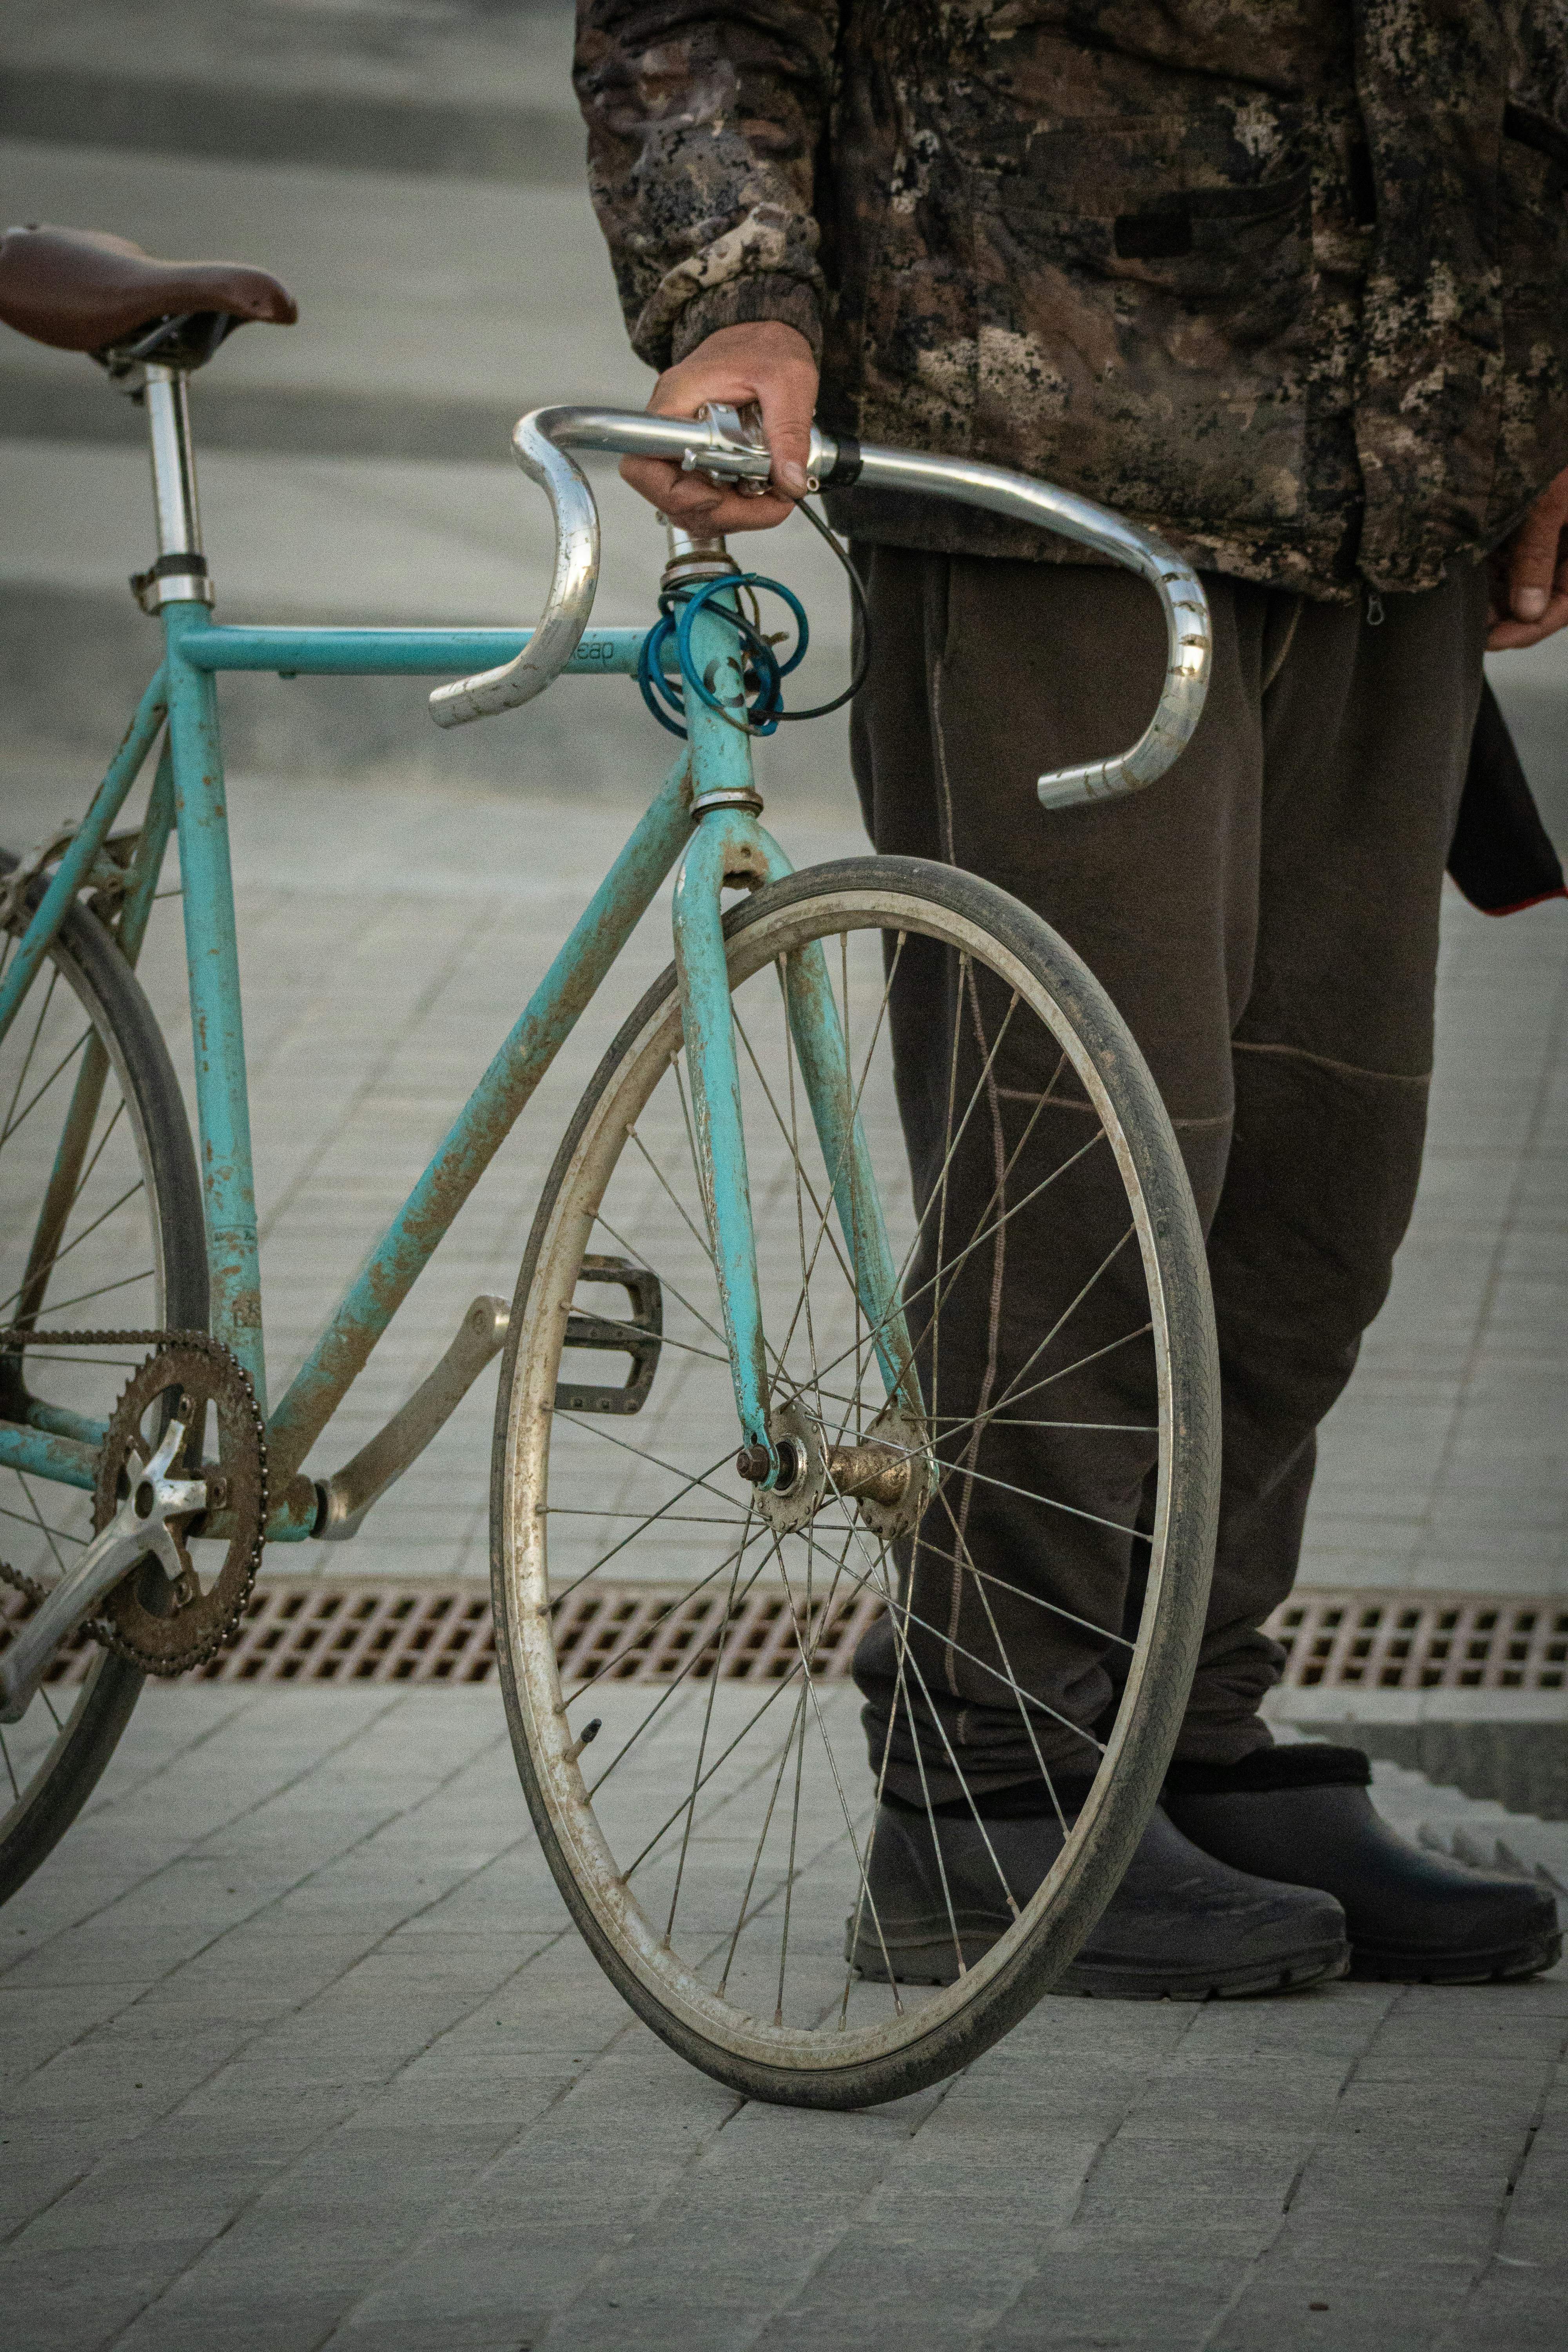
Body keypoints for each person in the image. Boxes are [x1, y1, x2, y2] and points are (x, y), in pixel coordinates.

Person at [575, 0, 1565, 1993]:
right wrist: (742, 291)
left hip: (1408, 480)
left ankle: (1180, 1729)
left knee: (1315, 1182)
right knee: (1093, 1172)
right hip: (1049, 433)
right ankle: (985, 1777)